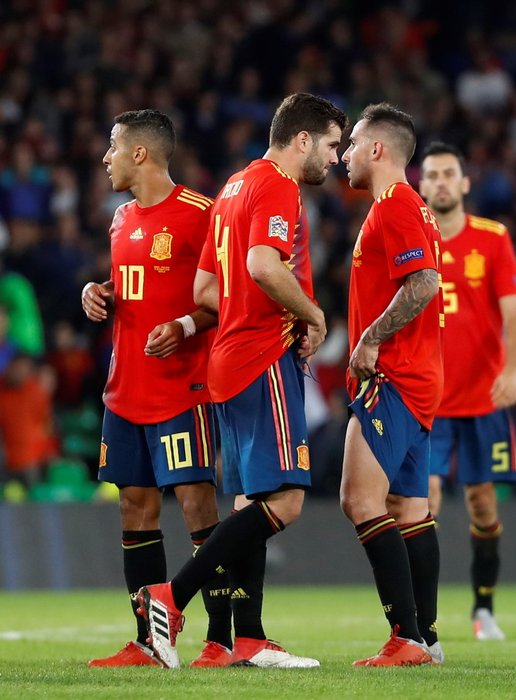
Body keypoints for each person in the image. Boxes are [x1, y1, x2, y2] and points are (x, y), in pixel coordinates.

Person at [136, 93, 347, 669]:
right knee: (287, 501)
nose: (334, 158)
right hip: (262, 359)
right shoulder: (279, 185)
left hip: (226, 362)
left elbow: (206, 289)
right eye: (330, 145)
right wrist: (311, 314)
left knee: (252, 500)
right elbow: (261, 265)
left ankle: (244, 637)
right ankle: (171, 597)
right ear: (301, 139)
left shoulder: (232, 187)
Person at [81, 109, 231, 668]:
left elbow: (229, 298)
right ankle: (150, 641)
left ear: (140, 153)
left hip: (182, 389)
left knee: (196, 506)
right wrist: (98, 293)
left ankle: (220, 638)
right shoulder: (119, 219)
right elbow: (132, 287)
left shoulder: (201, 214)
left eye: (113, 147)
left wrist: (188, 325)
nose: (106, 158)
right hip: (125, 390)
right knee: (134, 510)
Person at [339, 102, 443, 666]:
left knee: (358, 498)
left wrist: (370, 338)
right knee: (408, 509)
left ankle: (405, 637)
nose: (346, 156)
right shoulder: (413, 209)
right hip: (420, 378)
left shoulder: (395, 207)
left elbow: (423, 282)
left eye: (353, 143)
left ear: (377, 149)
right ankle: (425, 637)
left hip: (395, 377)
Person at [418, 141, 516, 641]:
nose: (440, 182)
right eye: (432, 175)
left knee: (483, 502)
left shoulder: (493, 238)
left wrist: (514, 370)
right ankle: (423, 617)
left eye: (448, 174)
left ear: (463, 183)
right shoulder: (413, 239)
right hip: (431, 400)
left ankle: (483, 609)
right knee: (427, 500)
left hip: (484, 398)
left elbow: (513, 312)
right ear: (421, 186)